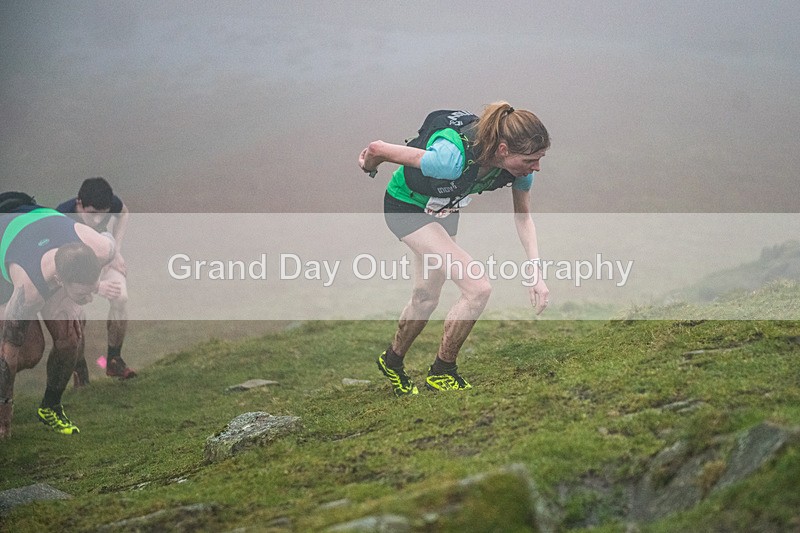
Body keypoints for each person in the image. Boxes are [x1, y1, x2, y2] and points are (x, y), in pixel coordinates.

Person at [358, 102, 551, 395]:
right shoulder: (449, 159)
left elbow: (523, 218)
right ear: (502, 150)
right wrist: (368, 166)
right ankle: (442, 371)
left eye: (540, 158)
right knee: (478, 286)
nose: (536, 167)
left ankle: (391, 360)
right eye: (530, 160)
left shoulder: (521, 171)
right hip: (405, 206)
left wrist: (536, 273)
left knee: (425, 297)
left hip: (443, 209)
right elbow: (378, 148)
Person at [1, 193, 117, 437]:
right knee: (29, 352)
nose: (89, 300)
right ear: (60, 281)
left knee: (71, 337)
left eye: (91, 291)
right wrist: (4, 414)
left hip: (38, 220)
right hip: (10, 243)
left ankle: (50, 407)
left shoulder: (101, 249)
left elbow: (109, 238)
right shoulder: (26, 292)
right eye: (83, 294)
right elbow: (8, 357)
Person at [57, 177, 135, 382]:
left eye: (103, 214)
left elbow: (124, 212)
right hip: (74, 275)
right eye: (92, 214)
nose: (98, 221)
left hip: (103, 259)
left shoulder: (109, 203)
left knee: (121, 298)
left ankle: (113, 360)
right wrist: (96, 287)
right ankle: (80, 370)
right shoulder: (61, 216)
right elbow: (63, 267)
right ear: (79, 203)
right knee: (77, 318)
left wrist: (116, 251)